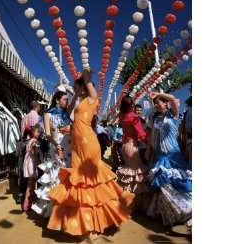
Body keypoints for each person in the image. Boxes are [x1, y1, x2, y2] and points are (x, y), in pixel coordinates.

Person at [47, 70, 134, 237]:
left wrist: (86, 79)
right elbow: (67, 112)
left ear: (85, 87)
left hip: (88, 143)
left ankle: (95, 225)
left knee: (91, 182)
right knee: (80, 183)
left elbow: (93, 92)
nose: (73, 88)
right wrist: (77, 92)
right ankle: (84, 223)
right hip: (77, 145)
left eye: (76, 87)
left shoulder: (91, 99)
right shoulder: (79, 101)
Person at [146, 92, 192, 226]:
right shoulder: (156, 119)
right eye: (154, 103)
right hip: (161, 155)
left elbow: (172, 98)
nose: (156, 105)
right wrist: (149, 150)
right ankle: (171, 214)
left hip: (174, 155)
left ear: (165, 103)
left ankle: (186, 210)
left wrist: (159, 94)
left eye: (158, 102)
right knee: (165, 186)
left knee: (179, 184)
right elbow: (153, 137)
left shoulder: (174, 114)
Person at [31, 91, 72, 217]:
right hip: (56, 147)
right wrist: (56, 145)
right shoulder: (48, 114)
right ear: (57, 100)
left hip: (69, 147)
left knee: (68, 176)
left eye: (67, 99)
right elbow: (48, 134)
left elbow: (73, 128)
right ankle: (54, 212)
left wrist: (70, 129)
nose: (67, 102)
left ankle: (67, 209)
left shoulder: (67, 114)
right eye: (65, 99)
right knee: (57, 176)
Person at [116, 97, 149, 211]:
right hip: (132, 146)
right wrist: (150, 142)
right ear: (131, 105)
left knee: (129, 174)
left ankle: (126, 200)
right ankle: (133, 204)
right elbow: (141, 134)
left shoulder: (121, 116)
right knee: (136, 174)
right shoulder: (133, 117)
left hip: (124, 145)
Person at [22, 125, 42, 212]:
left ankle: (31, 202)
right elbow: (34, 149)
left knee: (32, 184)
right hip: (32, 164)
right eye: (37, 131)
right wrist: (36, 148)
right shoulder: (34, 141)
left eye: (39, 132)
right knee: (30, 185)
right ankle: (26, 203)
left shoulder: (29, 141)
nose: (39, 133)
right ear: (33, 133)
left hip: (30, 163)